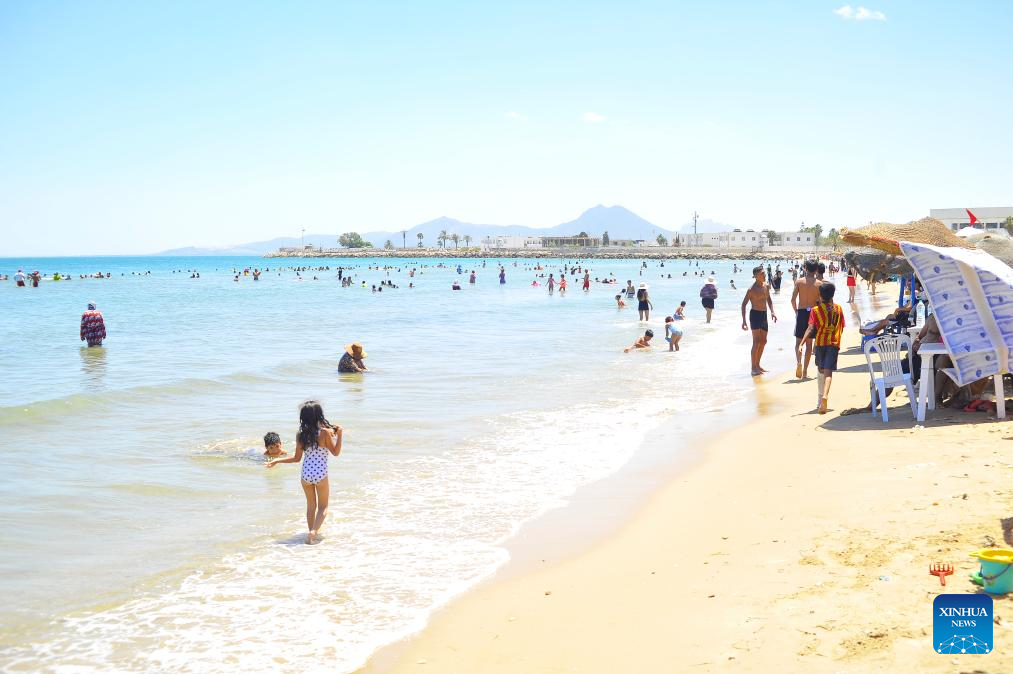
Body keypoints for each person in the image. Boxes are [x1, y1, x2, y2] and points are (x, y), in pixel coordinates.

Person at [266, 401, 343, 544]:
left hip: (305, 474)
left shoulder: (300, 435)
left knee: (311, 506)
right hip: (320, 474)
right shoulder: (325, 433)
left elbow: (296, 458)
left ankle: (311, 535)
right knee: (323, 506)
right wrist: (340, 435)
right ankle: (314, 532)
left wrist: (276, 461)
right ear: (319, 415)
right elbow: (336, 452)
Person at [802, 282, 844, 414]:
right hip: (833, 343)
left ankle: (821, 398)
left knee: (821, 370)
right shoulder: (839, 309)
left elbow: (810, 328)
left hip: (820, 343)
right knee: (828, 372)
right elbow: (841, 326)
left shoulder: (815, 310)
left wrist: (801, 343)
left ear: (820, 296)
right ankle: (824, 396)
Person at [740, 266, 778, 376]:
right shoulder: (751, 289)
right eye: (762, 273)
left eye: (764, 273)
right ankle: (753, 368)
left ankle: (758, 365)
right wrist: (744, 321)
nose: (764, 275)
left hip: (764, 315)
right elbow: (743, 305)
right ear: (756, 276)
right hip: (755, 315)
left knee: (764, 341)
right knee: (756, 342)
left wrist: (772, 311)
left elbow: (769, 300)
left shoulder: (766, 286)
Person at [790, 260, 821, 380]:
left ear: (805, 268)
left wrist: (796, 312)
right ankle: (805, 372)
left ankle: (799, 361)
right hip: (813, 313)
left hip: (802, 312)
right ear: (816, 270)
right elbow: (820, 301)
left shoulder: (799, 282)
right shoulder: (819, 284)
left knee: (798, 342)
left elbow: (793, 300)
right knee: (809, 344)